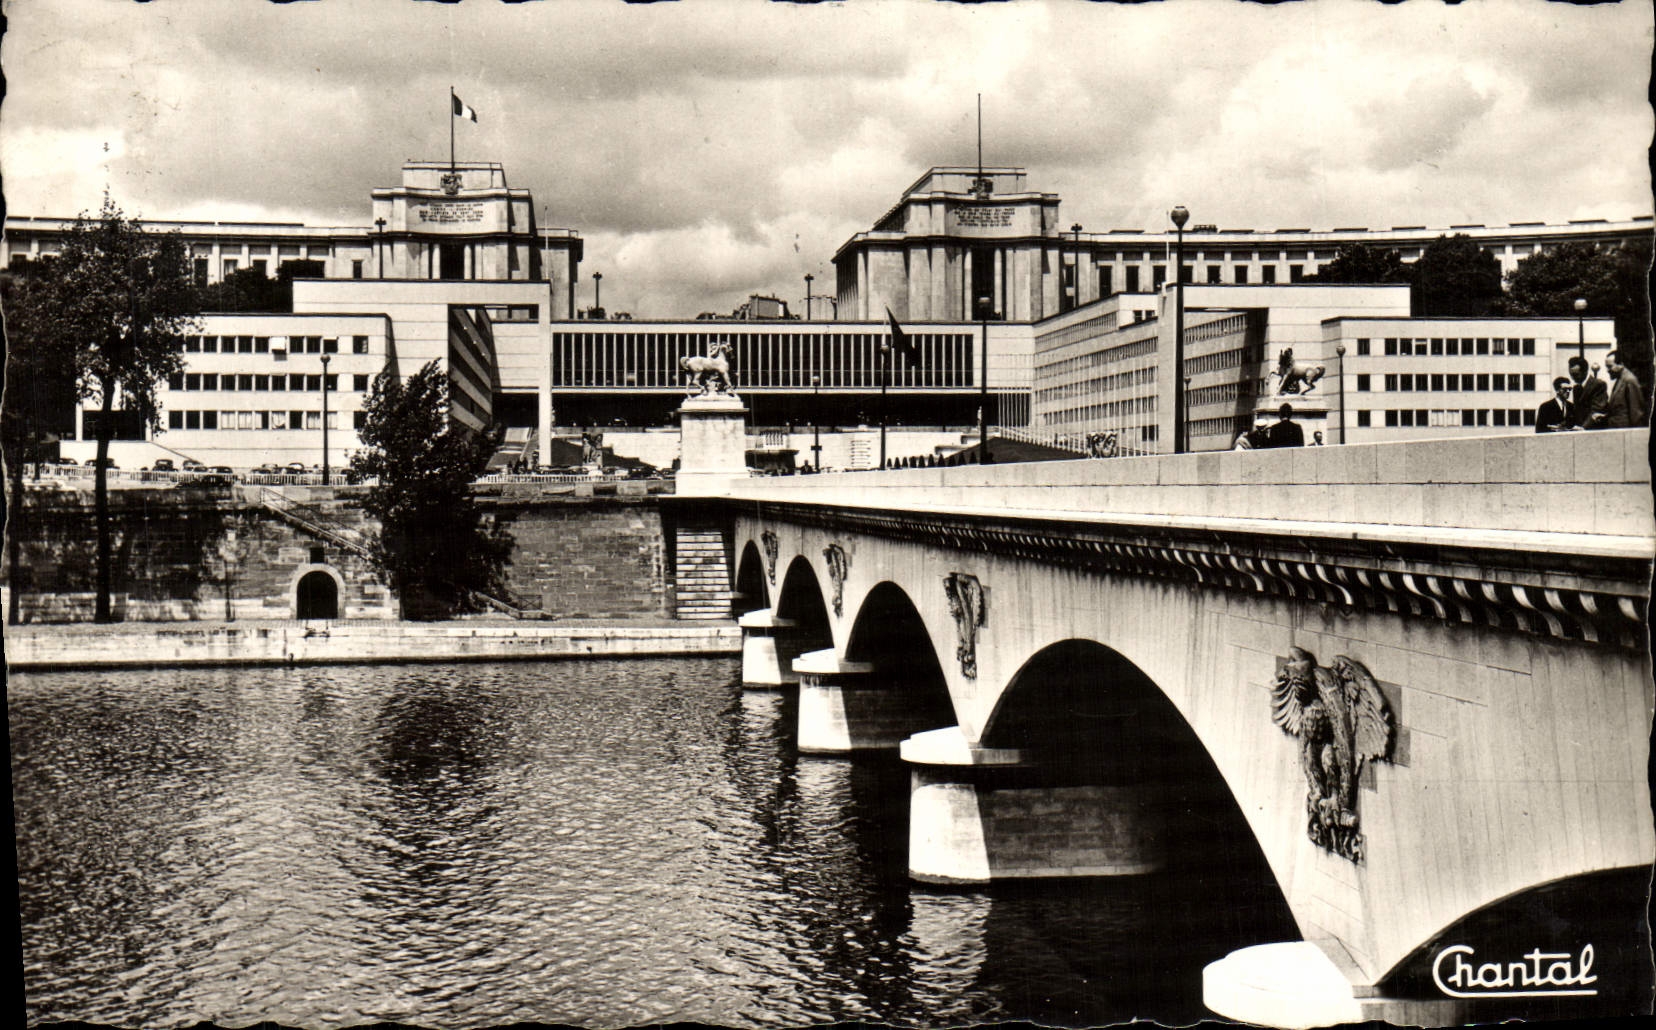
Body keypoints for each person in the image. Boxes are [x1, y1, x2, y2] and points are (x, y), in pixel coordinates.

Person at [1604, 349, 1647, 428]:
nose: (1607, 370)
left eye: (1610, 366)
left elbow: (1636, 413)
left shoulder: (1629, 380)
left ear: (1621, 364)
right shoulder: (1620, 379)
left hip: (1624, 431)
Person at [1565, 355, 1609, 429]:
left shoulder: (1599, 385)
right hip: (1580, 430)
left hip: (1594, 429)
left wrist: (1583, 427)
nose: (1572, 378)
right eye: (1571, 375)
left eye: (1576, 375)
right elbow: (1577, 412)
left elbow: (1596, 410)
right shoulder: (1576, 388)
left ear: (1585, 372)